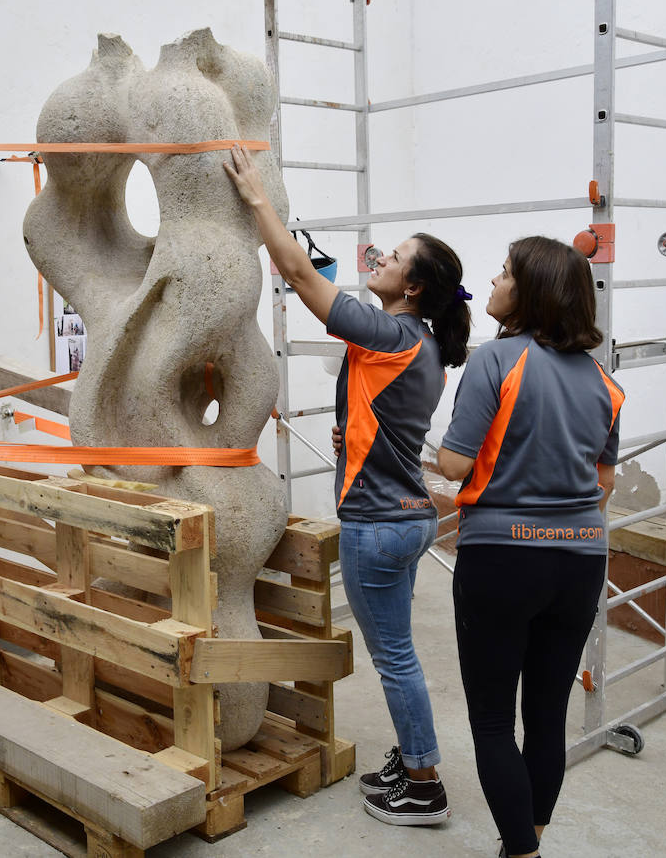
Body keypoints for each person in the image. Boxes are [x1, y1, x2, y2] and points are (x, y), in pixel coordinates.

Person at [225, 144, 472, 827]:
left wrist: (256, 201)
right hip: (409, 514)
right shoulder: (417, 345)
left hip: (378, 525)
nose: (382, 261)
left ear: (414, 287)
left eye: (394, 258)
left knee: (395, 658)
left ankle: (424, 785)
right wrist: (353, 433)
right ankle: (411, 756)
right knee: (402, 652)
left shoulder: (392, 334)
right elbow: (387, 420)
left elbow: (302, 276)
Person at [437, 236, 624, 858]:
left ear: (532, 293)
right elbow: (603, 483)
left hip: (501, 561)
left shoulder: (495, 361)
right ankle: (531, 837)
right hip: (581, 563)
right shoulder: (604, 381)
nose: (493, 281)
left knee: (492, 721)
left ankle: (522, 851)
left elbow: (456, 464)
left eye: (506, 273)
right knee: (547, 715)